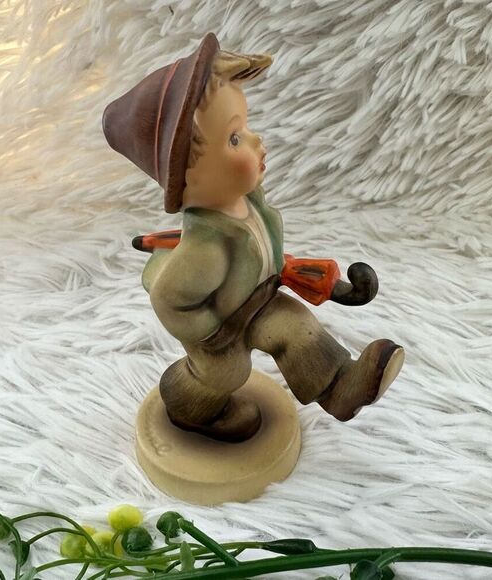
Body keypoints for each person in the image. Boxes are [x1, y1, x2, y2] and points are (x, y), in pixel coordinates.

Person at [102, 33, 405, 443]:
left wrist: (335, 287)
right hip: (222, 328)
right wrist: (213, 335)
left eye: (244, 128)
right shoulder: (206, 247)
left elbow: (271, 258)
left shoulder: (251, 204)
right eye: (234, 138)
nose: (255, 139)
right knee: (224, 374)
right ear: (188, 178)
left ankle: (340, 388)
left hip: (259, 300)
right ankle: (186, 405)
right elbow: (169, 299)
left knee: (298, 328)